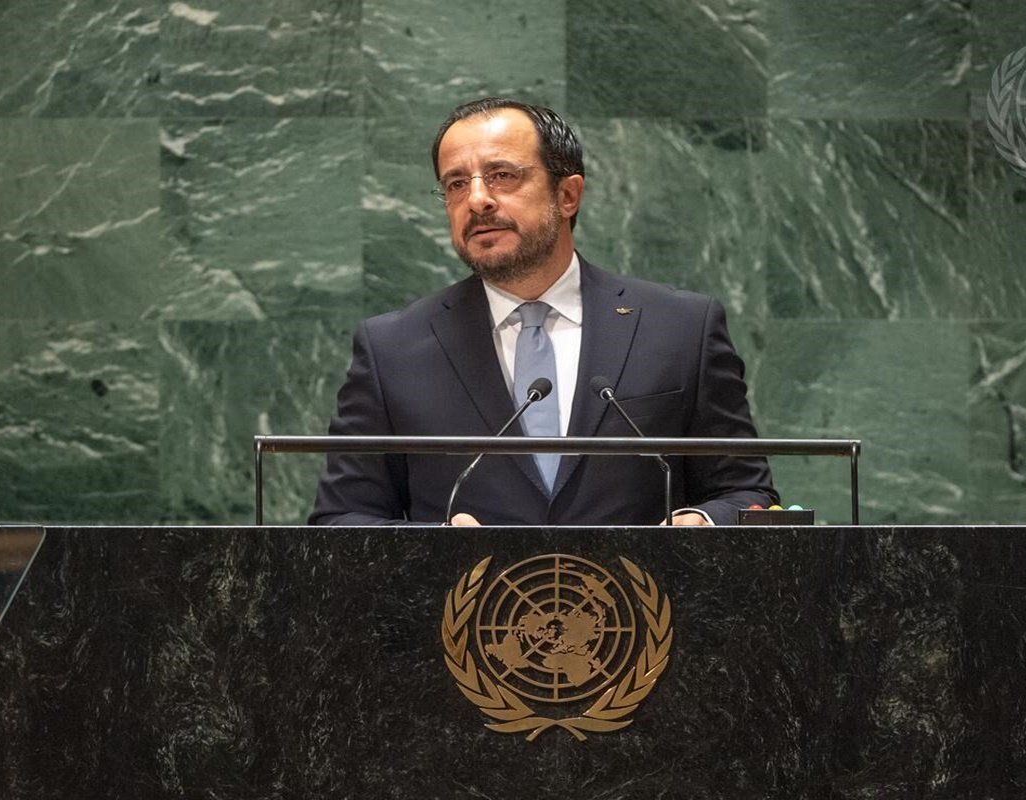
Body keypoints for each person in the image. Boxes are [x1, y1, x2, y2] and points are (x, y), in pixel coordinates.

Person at [309, 97, 776, 526]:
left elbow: (746, 493)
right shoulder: (392, 349)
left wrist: (702, 522)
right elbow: (341, 519)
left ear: (567, 195)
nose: (477, 199)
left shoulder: (680, 328)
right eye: (456, 184)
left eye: (502, 175)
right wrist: (436, 547)